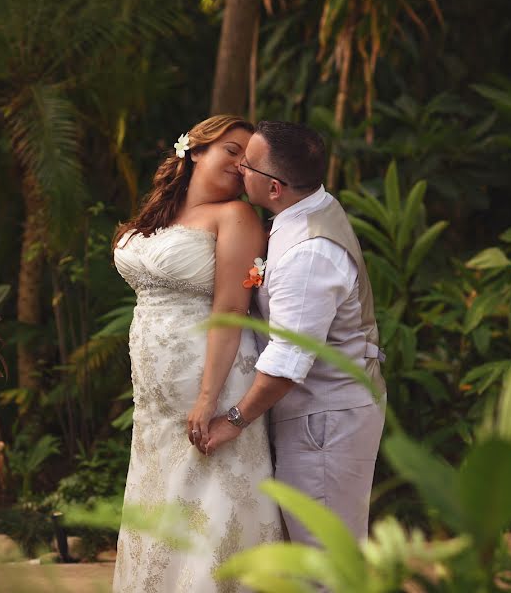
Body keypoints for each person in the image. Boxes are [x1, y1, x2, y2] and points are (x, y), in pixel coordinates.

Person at [112, 115, 282, 592]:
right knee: (160, 495)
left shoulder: (237, 216)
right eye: (231, 149)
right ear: (195, 149)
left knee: (210, 502)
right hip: (154, 396)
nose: (239, 162)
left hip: (214, 376)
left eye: (248, 159)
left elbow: (231, 306)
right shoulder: (157, 217)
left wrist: (209, 398)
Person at [203, 120, 387, 545]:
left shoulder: (309, 254)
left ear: (274, 189)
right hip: (321, 413)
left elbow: (288, 362)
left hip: (326, 421)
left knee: (324, 557)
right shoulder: (308, 206)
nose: (238, 169)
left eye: (247, 165)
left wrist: (234, 421)